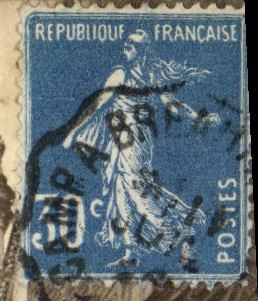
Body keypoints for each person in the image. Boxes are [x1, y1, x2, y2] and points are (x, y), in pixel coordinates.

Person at [62, 31, 219, 267]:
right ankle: (131, 252)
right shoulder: (133, 74)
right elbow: (96, 105)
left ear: (142, 50)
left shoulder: (133, 75)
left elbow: (171, 104)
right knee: (121, 189)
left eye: (132, 44)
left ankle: (184, 230)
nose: (126, 47)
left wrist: (198, 118)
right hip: (124, 141)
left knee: (136, 189)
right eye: (126, 43)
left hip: (133, 141)